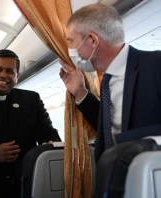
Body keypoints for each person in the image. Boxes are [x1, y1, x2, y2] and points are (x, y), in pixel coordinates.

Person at [59, 4, 161, 163]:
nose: (70, 48)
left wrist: (133, 144)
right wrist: (80, 93)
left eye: (71, 41)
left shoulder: (156, 65)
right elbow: (108, 126)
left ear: (92, 40)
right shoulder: (107, 80)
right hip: (114, 179)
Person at [0, 49, 61, 198]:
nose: (3, 75)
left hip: (26, 183)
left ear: (17, 76)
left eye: (9, 71)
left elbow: (49, 133)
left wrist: (49, 144)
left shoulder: (31, 100)